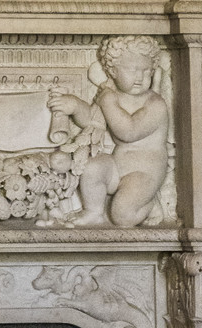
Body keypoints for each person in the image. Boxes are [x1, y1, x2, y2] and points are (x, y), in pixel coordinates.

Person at [64, 37, 169, 227]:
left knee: (123, 217)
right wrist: (74, 106)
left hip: (144, 174)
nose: (140, 77)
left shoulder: (155, 104)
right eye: (132, 70)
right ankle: (94, 212)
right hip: (117, 167)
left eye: (146, 71)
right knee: (92, 168)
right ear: (113, 71)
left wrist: (107, 101)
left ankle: (150, 201)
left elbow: (128, 131)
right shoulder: (112, 96)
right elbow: (92, 121)